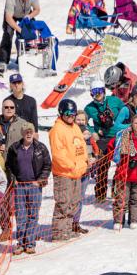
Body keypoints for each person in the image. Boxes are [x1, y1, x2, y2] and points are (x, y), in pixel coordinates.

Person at [4, 121, 50, 255]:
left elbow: (47, 165)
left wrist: (40, 180)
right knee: (21, 215)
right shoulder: (14, 148)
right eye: (26, 132)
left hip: (34, 186)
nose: (28, 134)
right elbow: (8, 166)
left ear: (34, 133)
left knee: (33, 215)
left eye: (30, 131)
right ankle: (20, 243)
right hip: (20, 186)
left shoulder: (41, 147)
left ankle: (30, 243)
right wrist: (13, 180)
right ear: (22, 133)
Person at [49, 101, 89, 241]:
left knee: (74, 202)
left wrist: (84, 162)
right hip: (64, 173)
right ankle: (58, 232)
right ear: (61, 113)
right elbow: (58, 155)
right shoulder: (57, 130)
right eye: (68, 113)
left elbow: (82, 147)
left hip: (77, 172)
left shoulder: (75, 127)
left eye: (73, 113)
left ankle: (67, 228)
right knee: (63, 202)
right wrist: (73, 165)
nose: (71, 116)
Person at [0, 0, 39, 66]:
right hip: (12, 15)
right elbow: (8, 18)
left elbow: (37, 9)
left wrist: (30, 16)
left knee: (31, 34)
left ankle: (24, 58)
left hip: (26, 14)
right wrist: (20, 30)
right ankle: (3, 61)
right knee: (8, 34)